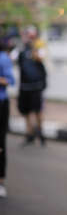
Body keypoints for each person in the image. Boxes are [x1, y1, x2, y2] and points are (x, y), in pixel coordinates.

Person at [17, 26, 47, 146]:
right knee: (26, 111)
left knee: (37, 111)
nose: (28, 38)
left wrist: (35, 49)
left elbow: (41, 58)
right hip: (24, 86)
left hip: (36, 86)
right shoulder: (21, 50)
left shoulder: (39, 48)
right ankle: (29, 133)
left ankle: (40, 132)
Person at [0, 39, 15, 198]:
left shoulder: (3, 58)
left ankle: (1, 181)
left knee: (0, 143)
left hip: (1, 105)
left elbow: (11, 80)